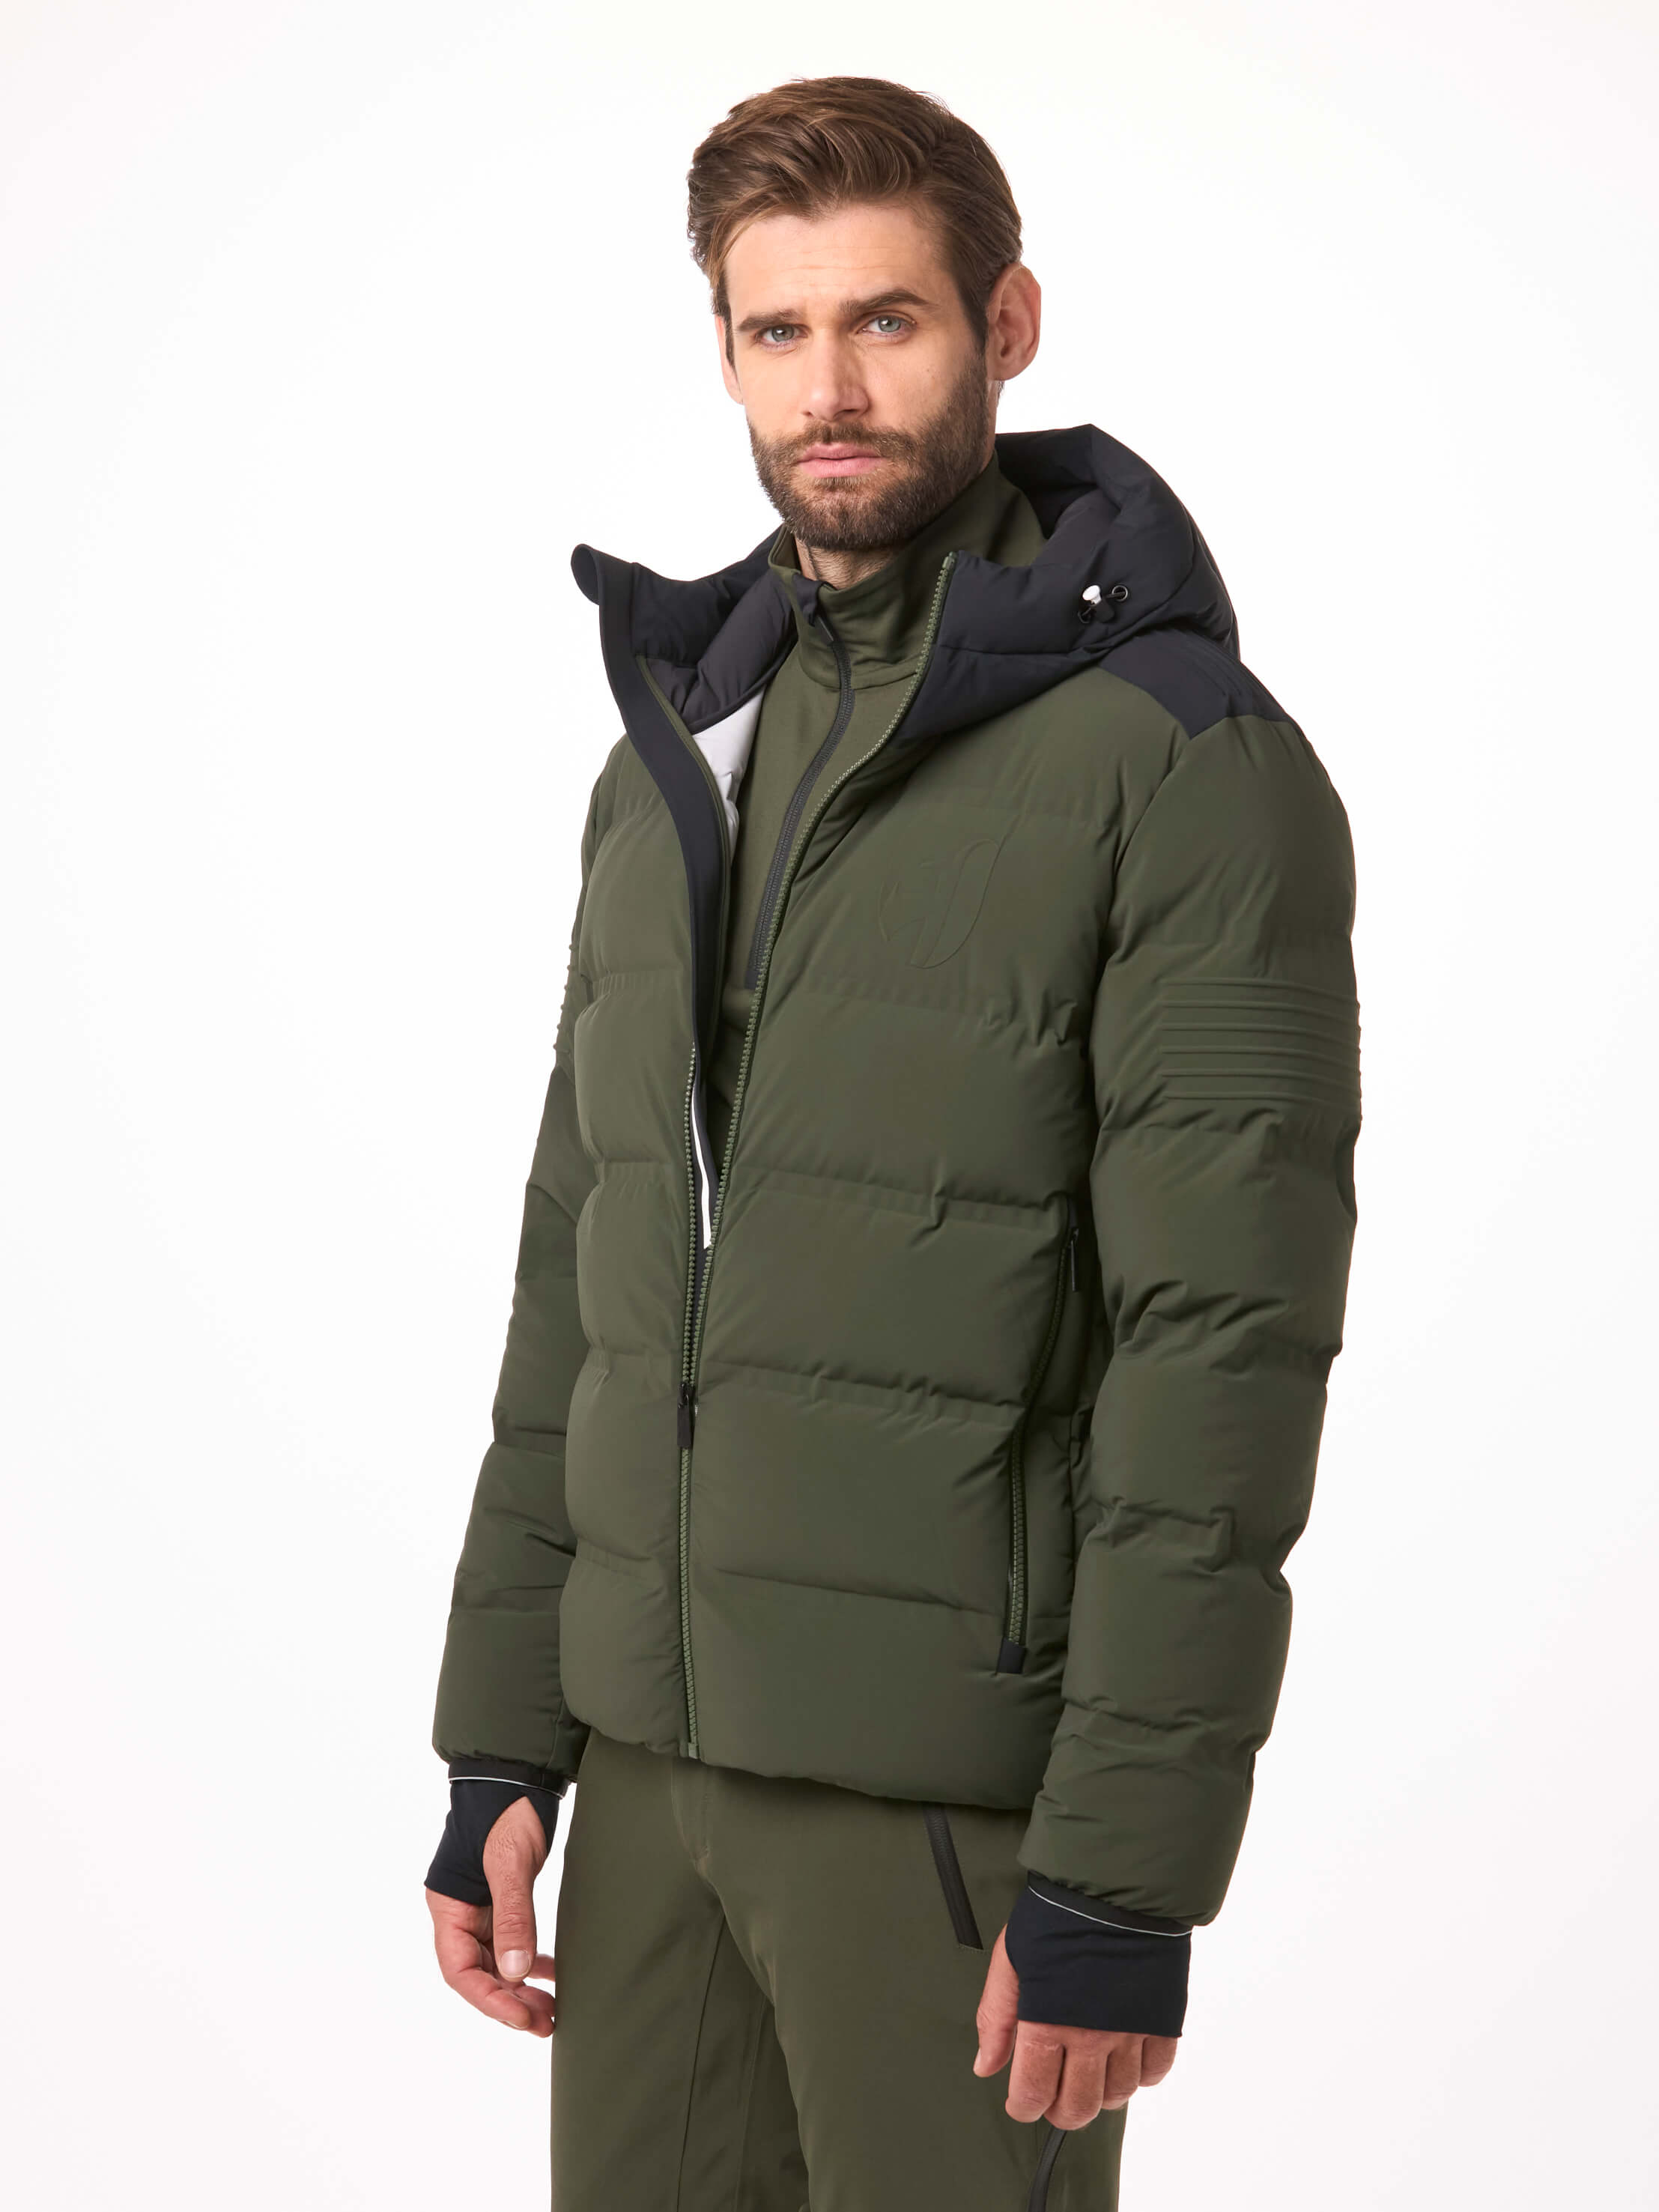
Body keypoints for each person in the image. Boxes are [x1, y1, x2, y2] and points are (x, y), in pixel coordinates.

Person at [422, 73, 1360, 2212]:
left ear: (1005, 325)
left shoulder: (1184, 768)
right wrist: (503, 1737)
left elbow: (1223, 1354)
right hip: (650, 1788)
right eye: (779, 330)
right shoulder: (676, 761)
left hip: (952, 1823)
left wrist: (1121, 1873)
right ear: (726, 350)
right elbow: (583, 1275)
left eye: (888, 321)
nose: (829, 390)